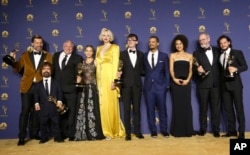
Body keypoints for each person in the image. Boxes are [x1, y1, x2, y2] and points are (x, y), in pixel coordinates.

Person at [10, 34, 53, 146]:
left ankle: (34, 133)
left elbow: (51, 70)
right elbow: (17, 69)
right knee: (25, 112)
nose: (39, 45)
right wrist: (13, 62)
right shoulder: (24, 55)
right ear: (32, 44)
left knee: (37, 112)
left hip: (40, 87)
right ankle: (22, 137)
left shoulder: (48, 56)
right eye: (37, 43)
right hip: (27, 87)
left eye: (41, 43)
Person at [95, 28, 125, 139]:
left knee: (111, 105)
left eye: (107, 35)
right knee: (102, 105)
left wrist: (114, 81)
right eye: (104, 35)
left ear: (110, 37)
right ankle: (105, 131)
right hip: (100, 79)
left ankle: (113, 131)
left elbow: (116, 64)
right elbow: (96, 65)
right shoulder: (98, 49)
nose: (106, 37)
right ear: (101, 37)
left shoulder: (115, 47)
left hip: (110, 79)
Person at [217, 35, 248, 139]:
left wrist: (236, 69)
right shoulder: (220, 56)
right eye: (221, 43)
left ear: (229, 42)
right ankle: (232, 131)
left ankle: (242, 133)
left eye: (224, 42)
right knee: (228, 110)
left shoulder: (237, 52)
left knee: (239, 109)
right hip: (224, 86)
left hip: (235, 85)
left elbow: (245, 66)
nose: (223, 45)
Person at [52, 40, 83, 141]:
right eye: (66, 46)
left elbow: (79, 73)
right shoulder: (56, 56)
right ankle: (61, 134)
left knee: (71, 112)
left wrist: (78, 81)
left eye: (70, 47)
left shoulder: (77, 58)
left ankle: (71, 134)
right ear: (63, 46)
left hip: (71, 89)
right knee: (59, 112)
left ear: (73, 48)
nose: (68, 48)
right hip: (57, 90)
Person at [193, 33, 221, 137]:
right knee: (203, 108)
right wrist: (198, 71)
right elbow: (193, 70)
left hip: (215, 85)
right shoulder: (196, 53)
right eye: (200, 40)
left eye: (204, 39)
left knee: (216, 109)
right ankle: (203, 129)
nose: (202, 42)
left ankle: (216, 130)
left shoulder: (217, 50)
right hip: (203, 85)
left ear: (209, 39)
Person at [74, 45, 105, 141]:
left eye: (90, 51)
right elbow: (79, 77)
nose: (88, 52)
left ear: (93, 52)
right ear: (84, 52)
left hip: (92, 88)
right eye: (86, 51)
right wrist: (78, 79)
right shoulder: (81, 63)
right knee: (83, 110)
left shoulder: (96, 62)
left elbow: (100, 76)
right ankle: (82, 133)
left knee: (92, 110)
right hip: (83, 89)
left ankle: (93, 132)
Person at [143, 36, 169, 138]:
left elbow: (166, 71)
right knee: (150, 110)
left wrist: (166, 85)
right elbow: (142, 70)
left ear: (157, 43)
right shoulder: (144, 56)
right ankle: (153, 131)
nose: (151, 43)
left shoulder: (164, 56)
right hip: (148, 87)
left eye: (153, 42)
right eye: (149, 42)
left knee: (163, 109)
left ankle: (164, 130)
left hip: (160, 87)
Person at [120, 34, 145, 141]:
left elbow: (143, 70)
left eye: (132, 40)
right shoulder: (122, 54)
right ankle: (128, 133)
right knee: (126, 110)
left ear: (137, 42)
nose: (130, 41)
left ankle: (138, 132)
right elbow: (118, 68)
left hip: (137, 85)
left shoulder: (141, 54)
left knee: (137, 109)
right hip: (125, 85)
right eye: (128, 40)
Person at [169, 34, 194, 137]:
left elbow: (191, 70)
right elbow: (171, 69)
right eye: (176, 44)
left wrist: (187, 80)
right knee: (177, 106)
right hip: (175, 84)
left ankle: (188, 130)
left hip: (186, 84)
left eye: (180, 43)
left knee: (186, 106)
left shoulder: (190, 56)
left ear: (184, 44)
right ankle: (177, 131)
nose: (178, 45)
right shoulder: (172, 55)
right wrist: (174, 79)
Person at [34, 62, 64, 144]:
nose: (46, 71)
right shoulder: (37, 84)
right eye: (44, 69)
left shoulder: (56, 82)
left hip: (54, 107)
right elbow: (36, 95)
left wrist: (59, 101)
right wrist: (36, 103)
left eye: (48, 69)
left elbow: (60, 92)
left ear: (51, 71)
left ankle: (58, 137)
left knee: (56, 122)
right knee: (42, 123)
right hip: (43, 107)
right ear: (41, 71)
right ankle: (44, 137)